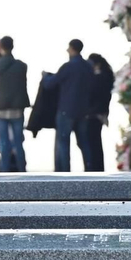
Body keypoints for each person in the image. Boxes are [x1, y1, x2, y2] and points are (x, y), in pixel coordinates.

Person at [41, 39, 95, 171]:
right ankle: (89, 169)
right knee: (83, 142)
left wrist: (44, 77)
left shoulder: (68, 67)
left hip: (66, 110)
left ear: (71, 49)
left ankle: (65, 172)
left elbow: (50, 84)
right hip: (83, 110)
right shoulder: (88, 67)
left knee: (64, 142)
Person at [0, 36, 30, 172]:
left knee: (4, 143)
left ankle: (3, 172)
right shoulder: (22, 66)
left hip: (0, 109)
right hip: (17, 109)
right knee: (18, 143)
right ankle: (23, 171)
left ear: (1, 47)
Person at [81, 52, 115, 173]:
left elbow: (92, 94)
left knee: (92, 143)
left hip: (93, 114)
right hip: (100, 114)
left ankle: (93, 168)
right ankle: (97, 167)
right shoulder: (107, 76)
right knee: (96, 143)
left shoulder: (99, 78)